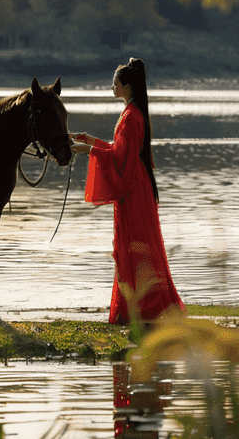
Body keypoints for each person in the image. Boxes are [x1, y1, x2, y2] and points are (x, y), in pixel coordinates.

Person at [71, 58, 184, 325]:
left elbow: (123, 157)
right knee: (133, 245)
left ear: (128, 87)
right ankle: (135, 307)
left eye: (115, 83)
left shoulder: (132, 116)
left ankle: (146, 308)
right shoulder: (131, 113)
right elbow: (120, 152)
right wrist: (92, 140)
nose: (112, 86)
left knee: (136, 246)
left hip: (134, 187)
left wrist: (91, 151)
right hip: (136, 184)